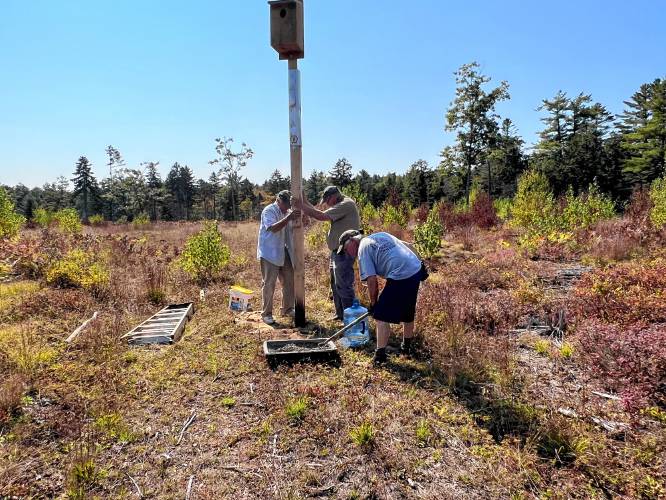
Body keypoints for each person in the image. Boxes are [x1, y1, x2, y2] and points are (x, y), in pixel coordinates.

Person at [337, 229, 427, 365]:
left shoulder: (363, 248)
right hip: (415, 268)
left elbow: (372, 281)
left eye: (345, 249)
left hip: (401, 273)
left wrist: (374, 304)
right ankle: (406, 348)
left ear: (352, 241)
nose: (347, 254)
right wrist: (420, 263)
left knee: (381, 316)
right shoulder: (381, 235)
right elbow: (407, 245)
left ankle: (379, 358)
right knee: (408, 311)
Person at [294, 186, 361, 321]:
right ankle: (340, 314)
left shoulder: (346, 204)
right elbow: (317, 210)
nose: (326, 204)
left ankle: (351, 320)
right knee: (335, 284)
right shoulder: (339, 205)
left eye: (327, 200)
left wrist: (300, 205)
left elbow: (320, 215)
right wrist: (304, 201)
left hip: (345, 251)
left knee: (344, 286)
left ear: (333, 197)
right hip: (337, 251)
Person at [256, 190, 301, 325]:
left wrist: (300, 218)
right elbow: (272, 228)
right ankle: (266, 314)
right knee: (269, 283)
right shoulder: (269, 211)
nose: (288, 207)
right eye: (286, 204)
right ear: (279, 201)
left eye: (289, 205)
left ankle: (287, 309)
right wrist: (288, 218)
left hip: (283, 250)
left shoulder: (287, 212)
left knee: (289, 279)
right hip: (269, 252)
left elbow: (294, 227)